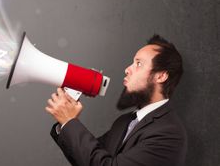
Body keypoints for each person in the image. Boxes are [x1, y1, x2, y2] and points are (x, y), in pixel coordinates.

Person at [46, 35, 187, 166]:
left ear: (161, 76)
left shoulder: (169, 134)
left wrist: (69, 121)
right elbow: (86, 159)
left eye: (138, 64)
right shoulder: (125, 122)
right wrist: (64, 122)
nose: (127, 69)